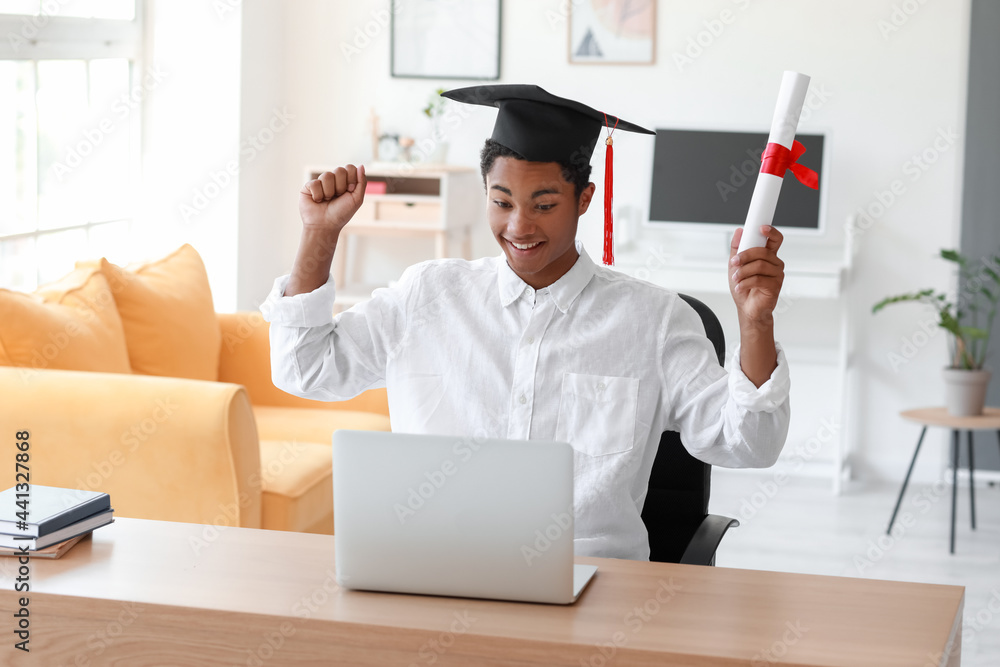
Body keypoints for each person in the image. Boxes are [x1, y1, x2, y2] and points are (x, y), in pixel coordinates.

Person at [260, 84, 790, 561]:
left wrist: (755, 324)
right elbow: (302, 369)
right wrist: (320, 236)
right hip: (436, 571)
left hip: (593, 582)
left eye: (544, 204)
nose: (519, 226)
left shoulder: (651, 320)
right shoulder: (427, 295)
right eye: (501, 202)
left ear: (585, 199)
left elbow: (749, 444)